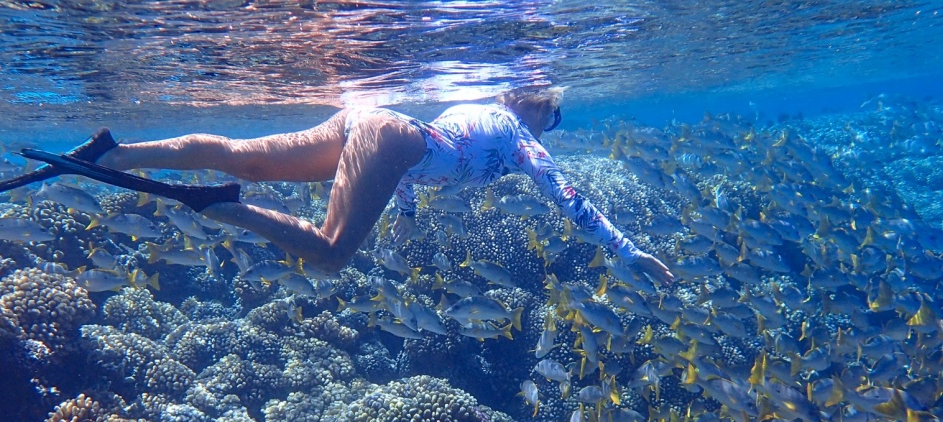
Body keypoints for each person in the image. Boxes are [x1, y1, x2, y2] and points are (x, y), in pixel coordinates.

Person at [91, 85, 674, 283]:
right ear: (541, 107)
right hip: (388, 138)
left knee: (247, 159)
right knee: (330, 254)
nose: (554, 126)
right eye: (557, 116)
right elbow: (568, 199)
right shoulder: (521, 138)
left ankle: (114, 152)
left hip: (370, 122)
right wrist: (629, 252)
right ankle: (218, 206)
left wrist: (408, 213)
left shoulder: (475, 110)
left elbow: (424, 156)